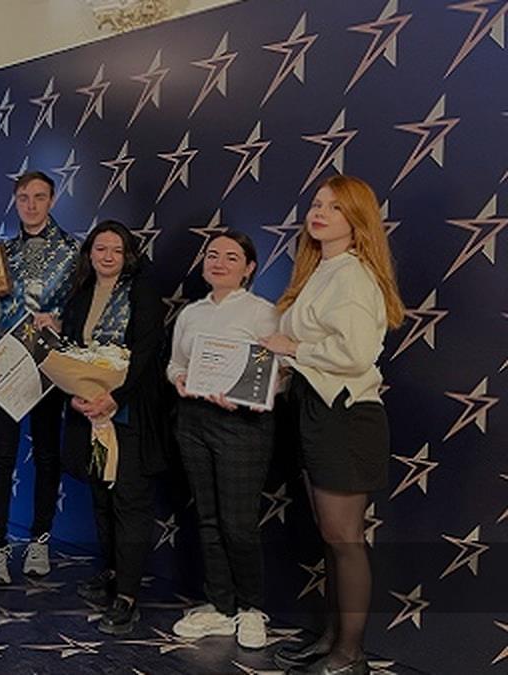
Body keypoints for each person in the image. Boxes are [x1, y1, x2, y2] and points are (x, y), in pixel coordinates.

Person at [260, 175, 405, 675]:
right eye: (317, 203)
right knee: (330, 535)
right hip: (314, 411)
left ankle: (351, 655)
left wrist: (293, 348)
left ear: (357, 219)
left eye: (335, 207)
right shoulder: (320, 269)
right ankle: (332, 638)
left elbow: (355, 354)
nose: (320, 213)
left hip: (345, 417)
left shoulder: (354, 275)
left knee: (344, 538)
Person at [165, 230, 278, 649]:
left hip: (241, 424)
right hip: (193, 420)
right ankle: (221, 605)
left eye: (231, 257)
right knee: (208, 518)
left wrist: (248, 395)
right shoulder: (191, 313)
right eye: (212, 255)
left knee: (239, 523)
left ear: (249, 268)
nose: (219, 263)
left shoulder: (264, 313)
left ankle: (251, 608)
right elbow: (175, 364)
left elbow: (279, 374)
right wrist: (179, 378)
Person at [0, 171, 80, 585]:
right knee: (2, 454)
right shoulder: (0, 251)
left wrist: (61, 320)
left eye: (39, 197)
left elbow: (84, 308)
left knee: (48, 453)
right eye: (23, 197)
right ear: (15, 201)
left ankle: (40, 541)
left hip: (50, 363)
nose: (31, 205)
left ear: (52, 199)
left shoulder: (75, 251)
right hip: (7, 363)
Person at [60, 221, 166, 636]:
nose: (107, 256)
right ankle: (111, 572)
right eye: (100, 248)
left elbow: (146, 354)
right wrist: (73, 394)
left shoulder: (142, 293)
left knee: (129, 502)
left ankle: (128, 596)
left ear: (128, 256)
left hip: (127, 415)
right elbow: (69, 351)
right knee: (102, 498)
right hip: (90, 414)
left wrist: (115, 398)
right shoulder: (80, 295)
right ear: (89, 253)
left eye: (116, 250)